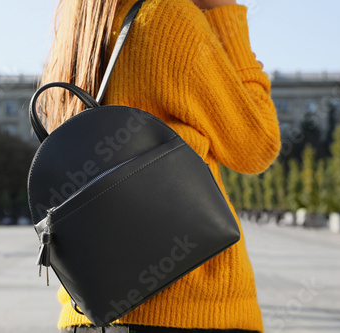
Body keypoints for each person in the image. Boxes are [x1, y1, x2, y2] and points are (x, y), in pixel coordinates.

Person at [38, 0, 281, 332]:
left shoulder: (80, 30)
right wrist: (225, 13)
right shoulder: (168, 17)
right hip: (190, 310)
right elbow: (256, 146)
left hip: (87, 314)